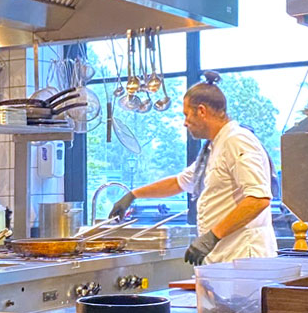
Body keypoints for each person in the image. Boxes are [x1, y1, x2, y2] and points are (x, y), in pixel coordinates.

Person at [108, 71, 277, 265]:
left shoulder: (237, 140)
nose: (185, 123)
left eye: (187, 115)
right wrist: (133, 195)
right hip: (226, 258)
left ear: (202, 111)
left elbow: (258, 199)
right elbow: (179, 183)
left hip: (245, 257)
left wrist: (212, 236)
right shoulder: (215, 146)